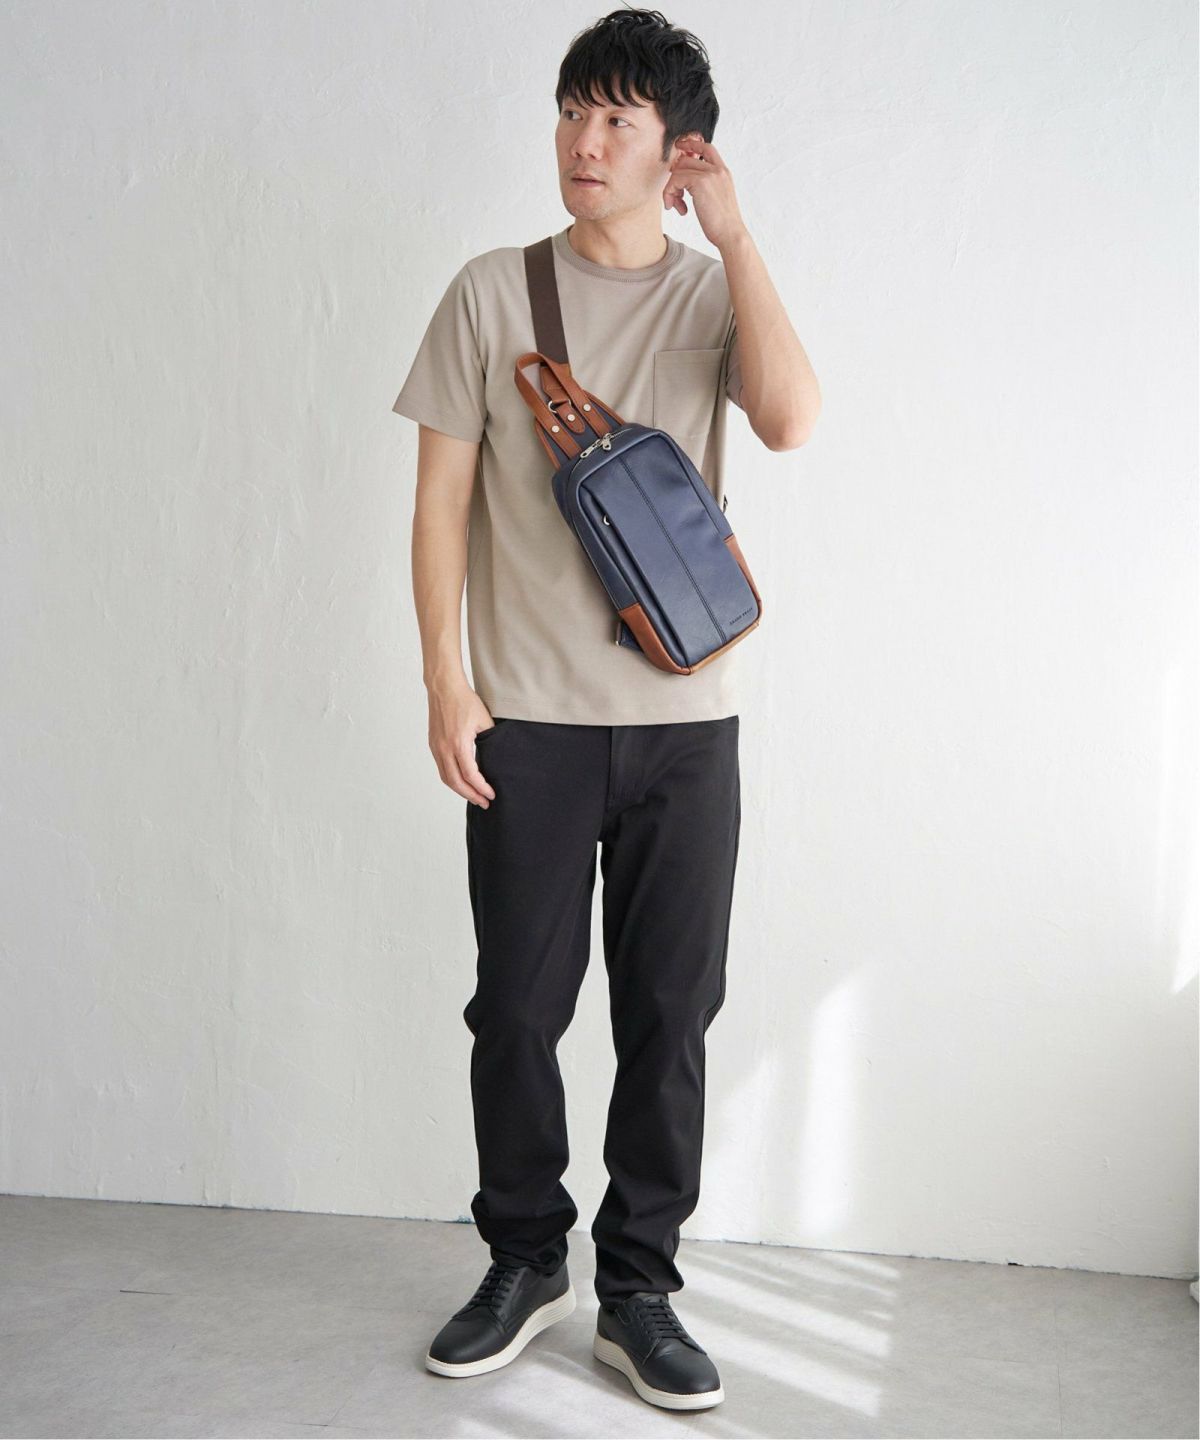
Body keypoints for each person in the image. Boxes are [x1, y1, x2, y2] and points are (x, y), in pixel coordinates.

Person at [390, 7, 820, 1412]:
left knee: (670, 1011)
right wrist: (447, 681)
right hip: (528, 717)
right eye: (574, 110)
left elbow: (790, 418)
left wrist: (735, 236)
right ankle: (525, 1258)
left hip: (690, 726)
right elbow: (439, 506)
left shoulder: (709, 296)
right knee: (515, 1008)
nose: (584, 140)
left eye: (618, 118)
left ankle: (640, 1289)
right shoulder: (491, 292)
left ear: (675, 148)